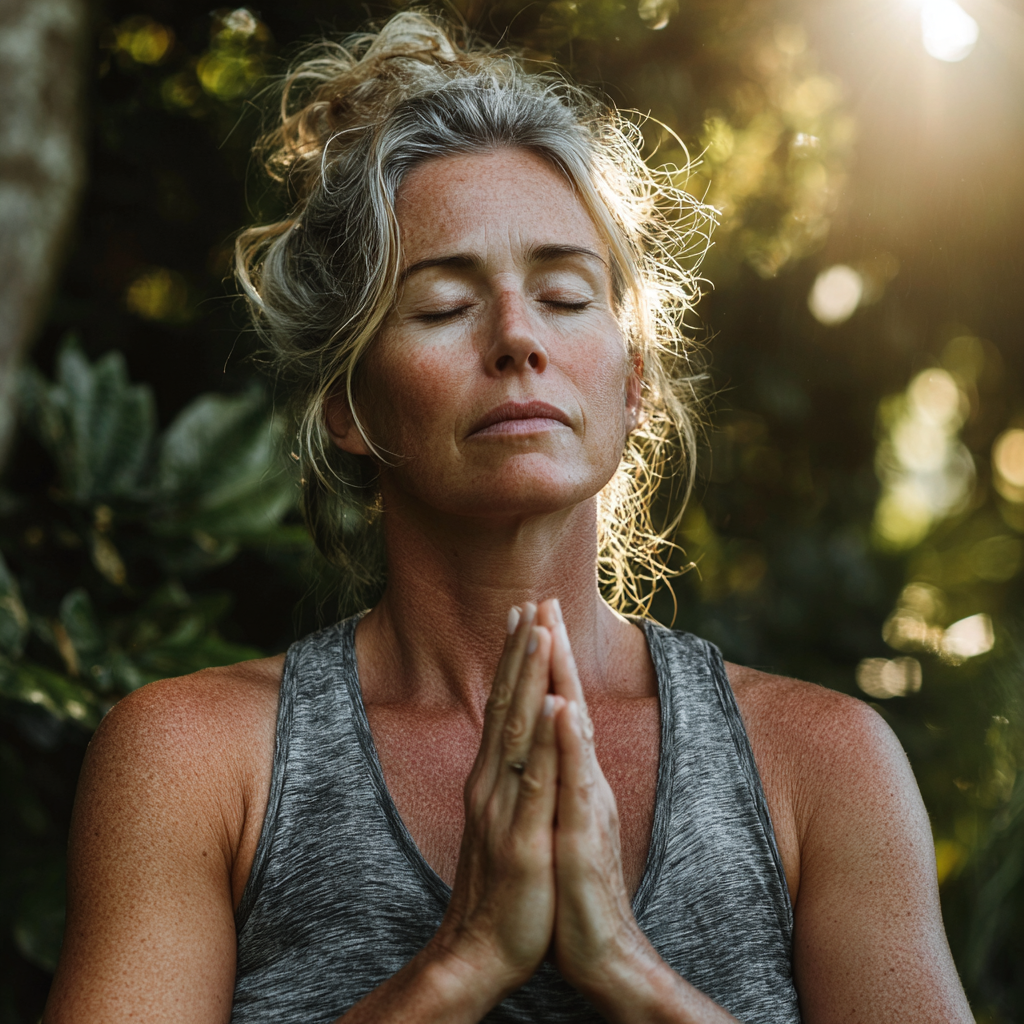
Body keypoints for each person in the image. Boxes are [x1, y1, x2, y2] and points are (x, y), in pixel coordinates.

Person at [45, 12, 973, 1024]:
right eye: (443, 308)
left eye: (566, 296)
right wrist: (459, 964)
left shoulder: (824, 764)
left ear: (635, 384)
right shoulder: (194, 760)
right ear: (348, 407)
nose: (517, 338)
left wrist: (628, 970)